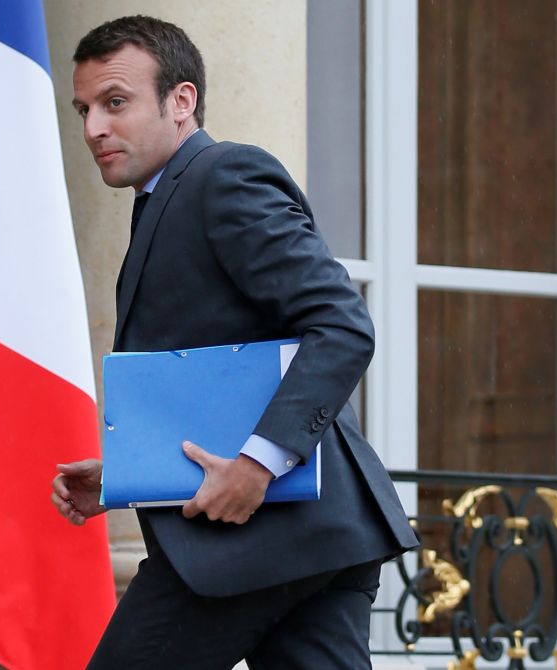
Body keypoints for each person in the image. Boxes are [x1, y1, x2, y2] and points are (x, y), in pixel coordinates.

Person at [51, 15, 418, 669]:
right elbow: (225, 361)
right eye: (84, 110)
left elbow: (341, 324)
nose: (93, 129)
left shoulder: (223, 176)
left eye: (115, 102)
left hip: (253, 540)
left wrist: (255, 468)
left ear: (181, 100)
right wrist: (130, 473)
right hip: (312, 538)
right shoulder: (171, 194)